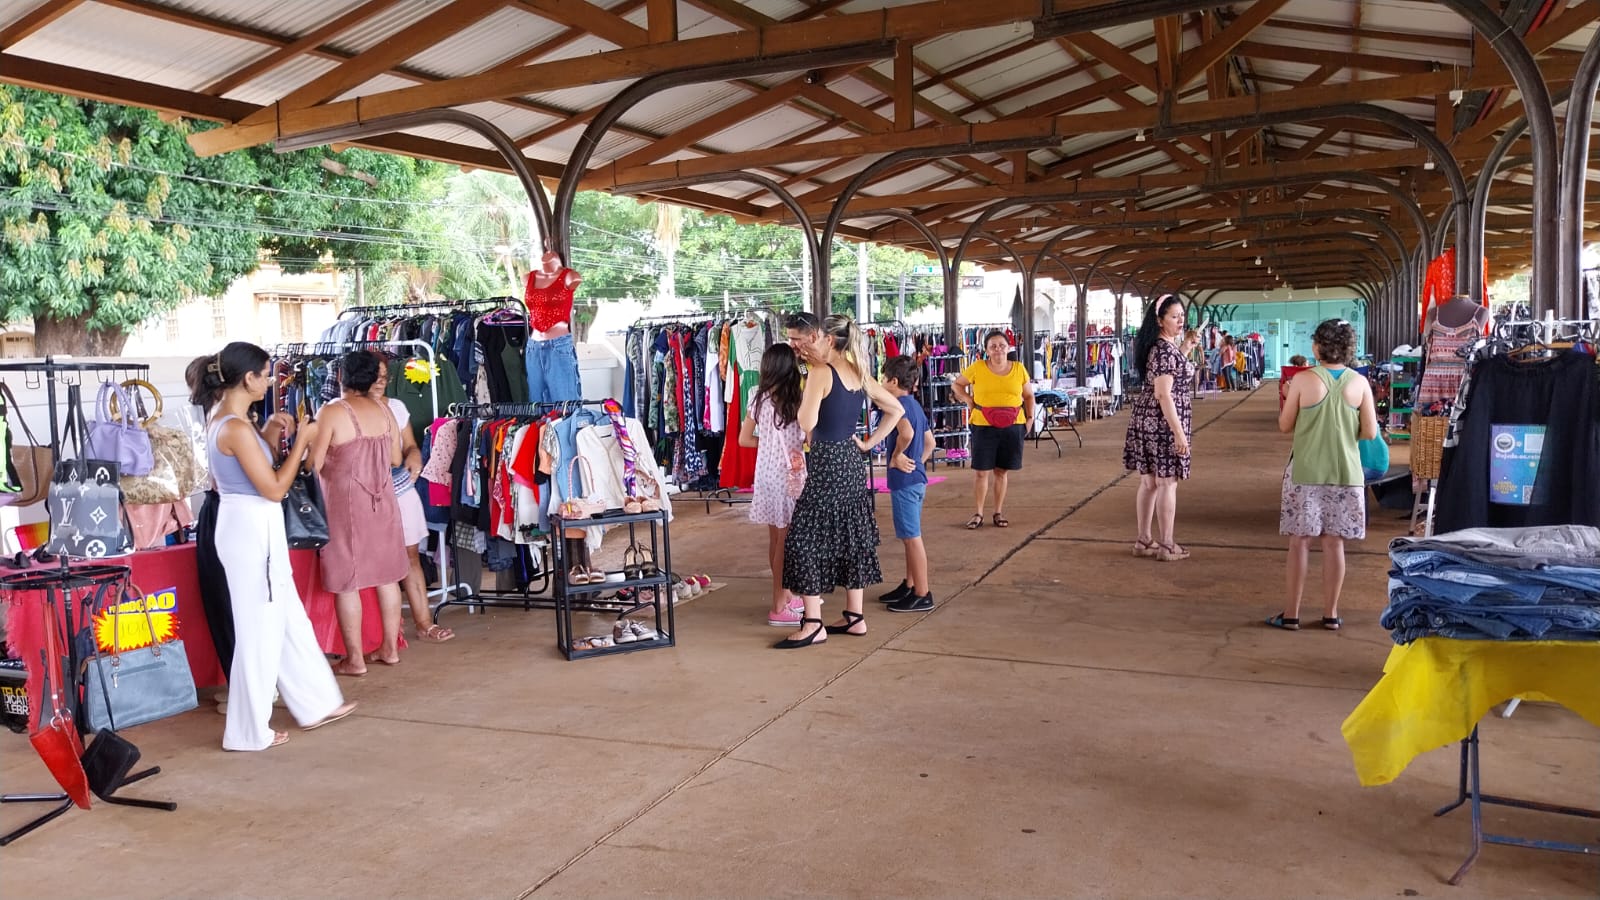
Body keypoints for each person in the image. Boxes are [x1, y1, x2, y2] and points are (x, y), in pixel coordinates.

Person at [189, 343, 356, 751]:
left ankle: (315, 701)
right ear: (247, 378)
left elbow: (252, 471)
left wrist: (273, 434)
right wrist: (303, 441)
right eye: (265, 374)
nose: (269, 381)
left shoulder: (232, 422)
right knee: (260, 628)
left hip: (250, 523)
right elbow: (275, 488)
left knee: (285, 617)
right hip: (251, 525)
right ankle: (248, 730)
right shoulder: (234, 427)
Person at [775, 313, 903, 649]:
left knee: (803, 539)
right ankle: (854, 617)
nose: (803, 346)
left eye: (810, 339)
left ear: (827, 339)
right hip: (851, 460)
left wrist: (810, 383)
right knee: (851, 534)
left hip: (827, 462)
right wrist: (869, 443)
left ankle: (813, 623)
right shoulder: (858, 372)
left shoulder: (820, 372)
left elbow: (806, 421)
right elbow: (896, 410)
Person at [1268, 320, 1379, 632]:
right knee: (1334, 545)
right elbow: (1369, 431)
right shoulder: (1359, 383)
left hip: (1305, 471)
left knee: (1299, 544)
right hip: (1345, 473)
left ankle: (1291, 614)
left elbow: (1284, 425)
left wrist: (1290, 394)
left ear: (1317, 347)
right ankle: (1330, 614)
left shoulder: (1303, 380)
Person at [310, 351, 410, 675]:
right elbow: (396, 459)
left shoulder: (332, 411)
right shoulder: (385, 410)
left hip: (345, 506)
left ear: (341, 377)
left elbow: (314, 462)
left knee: (347, 581)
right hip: (383, 502)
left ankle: (354, 659)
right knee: (387, 577)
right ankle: (390, 649)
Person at [369, 352, 453, 644]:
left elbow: (411, 446)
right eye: (375, 376)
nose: (381, 382)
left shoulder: (395, 406)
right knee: (374, 562)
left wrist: (415, 458)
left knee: (410, 556)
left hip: (400, 486)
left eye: (384, 377)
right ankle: (380, 634)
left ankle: (423, 623)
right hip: (364, 493)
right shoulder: (338, 409)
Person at [738, 343, 808, 627]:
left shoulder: (757, 396)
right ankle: (779, 604)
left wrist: (766, 444)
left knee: (775, 539)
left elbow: (744, 439)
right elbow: (807, 438)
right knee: (786, 541)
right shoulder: (799, 397)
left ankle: (787, 595)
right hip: (789, 475)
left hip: (765, 474)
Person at [1123, 296, 1194, 562]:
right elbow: (1165, 394)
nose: (1180, 321)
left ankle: (1144, 539)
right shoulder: (1164, 350)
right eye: (1174, 316)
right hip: (1161, 421)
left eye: (1181, 316)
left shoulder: (1162, 346)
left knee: (1150, 481)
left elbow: (1170, 375)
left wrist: (1185, 348)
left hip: (1148, 418)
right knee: (1166, 482)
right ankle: (1166, 545)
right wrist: (1178, 432)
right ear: (1159, 320)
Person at [951, 330, 1036, 529]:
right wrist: (969, 401)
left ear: (1008, 347)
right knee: (981, 472)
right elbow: (957, 385)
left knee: (1001, 471)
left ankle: (997, 512)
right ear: (986, 350)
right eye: (993, 346)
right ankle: (978, 513)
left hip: (1013, 424)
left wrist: (1030, 418)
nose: (998, 349)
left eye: (1001, 345)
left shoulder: (1019, 368)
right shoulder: (978, 367)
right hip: (983, 425)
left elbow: (1029, 396)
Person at [877, 355, 936, 613]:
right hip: (916, 480)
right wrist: (917, 462)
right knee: (909, 537)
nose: (880, 382)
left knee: (912, 538)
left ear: (893, 381)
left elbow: (908, 434)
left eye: (882, 378)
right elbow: (930, 443)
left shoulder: (896, 405)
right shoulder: (913, 405)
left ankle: (922, 593)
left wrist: (898, 456)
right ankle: (911, 584)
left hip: (904, 481)